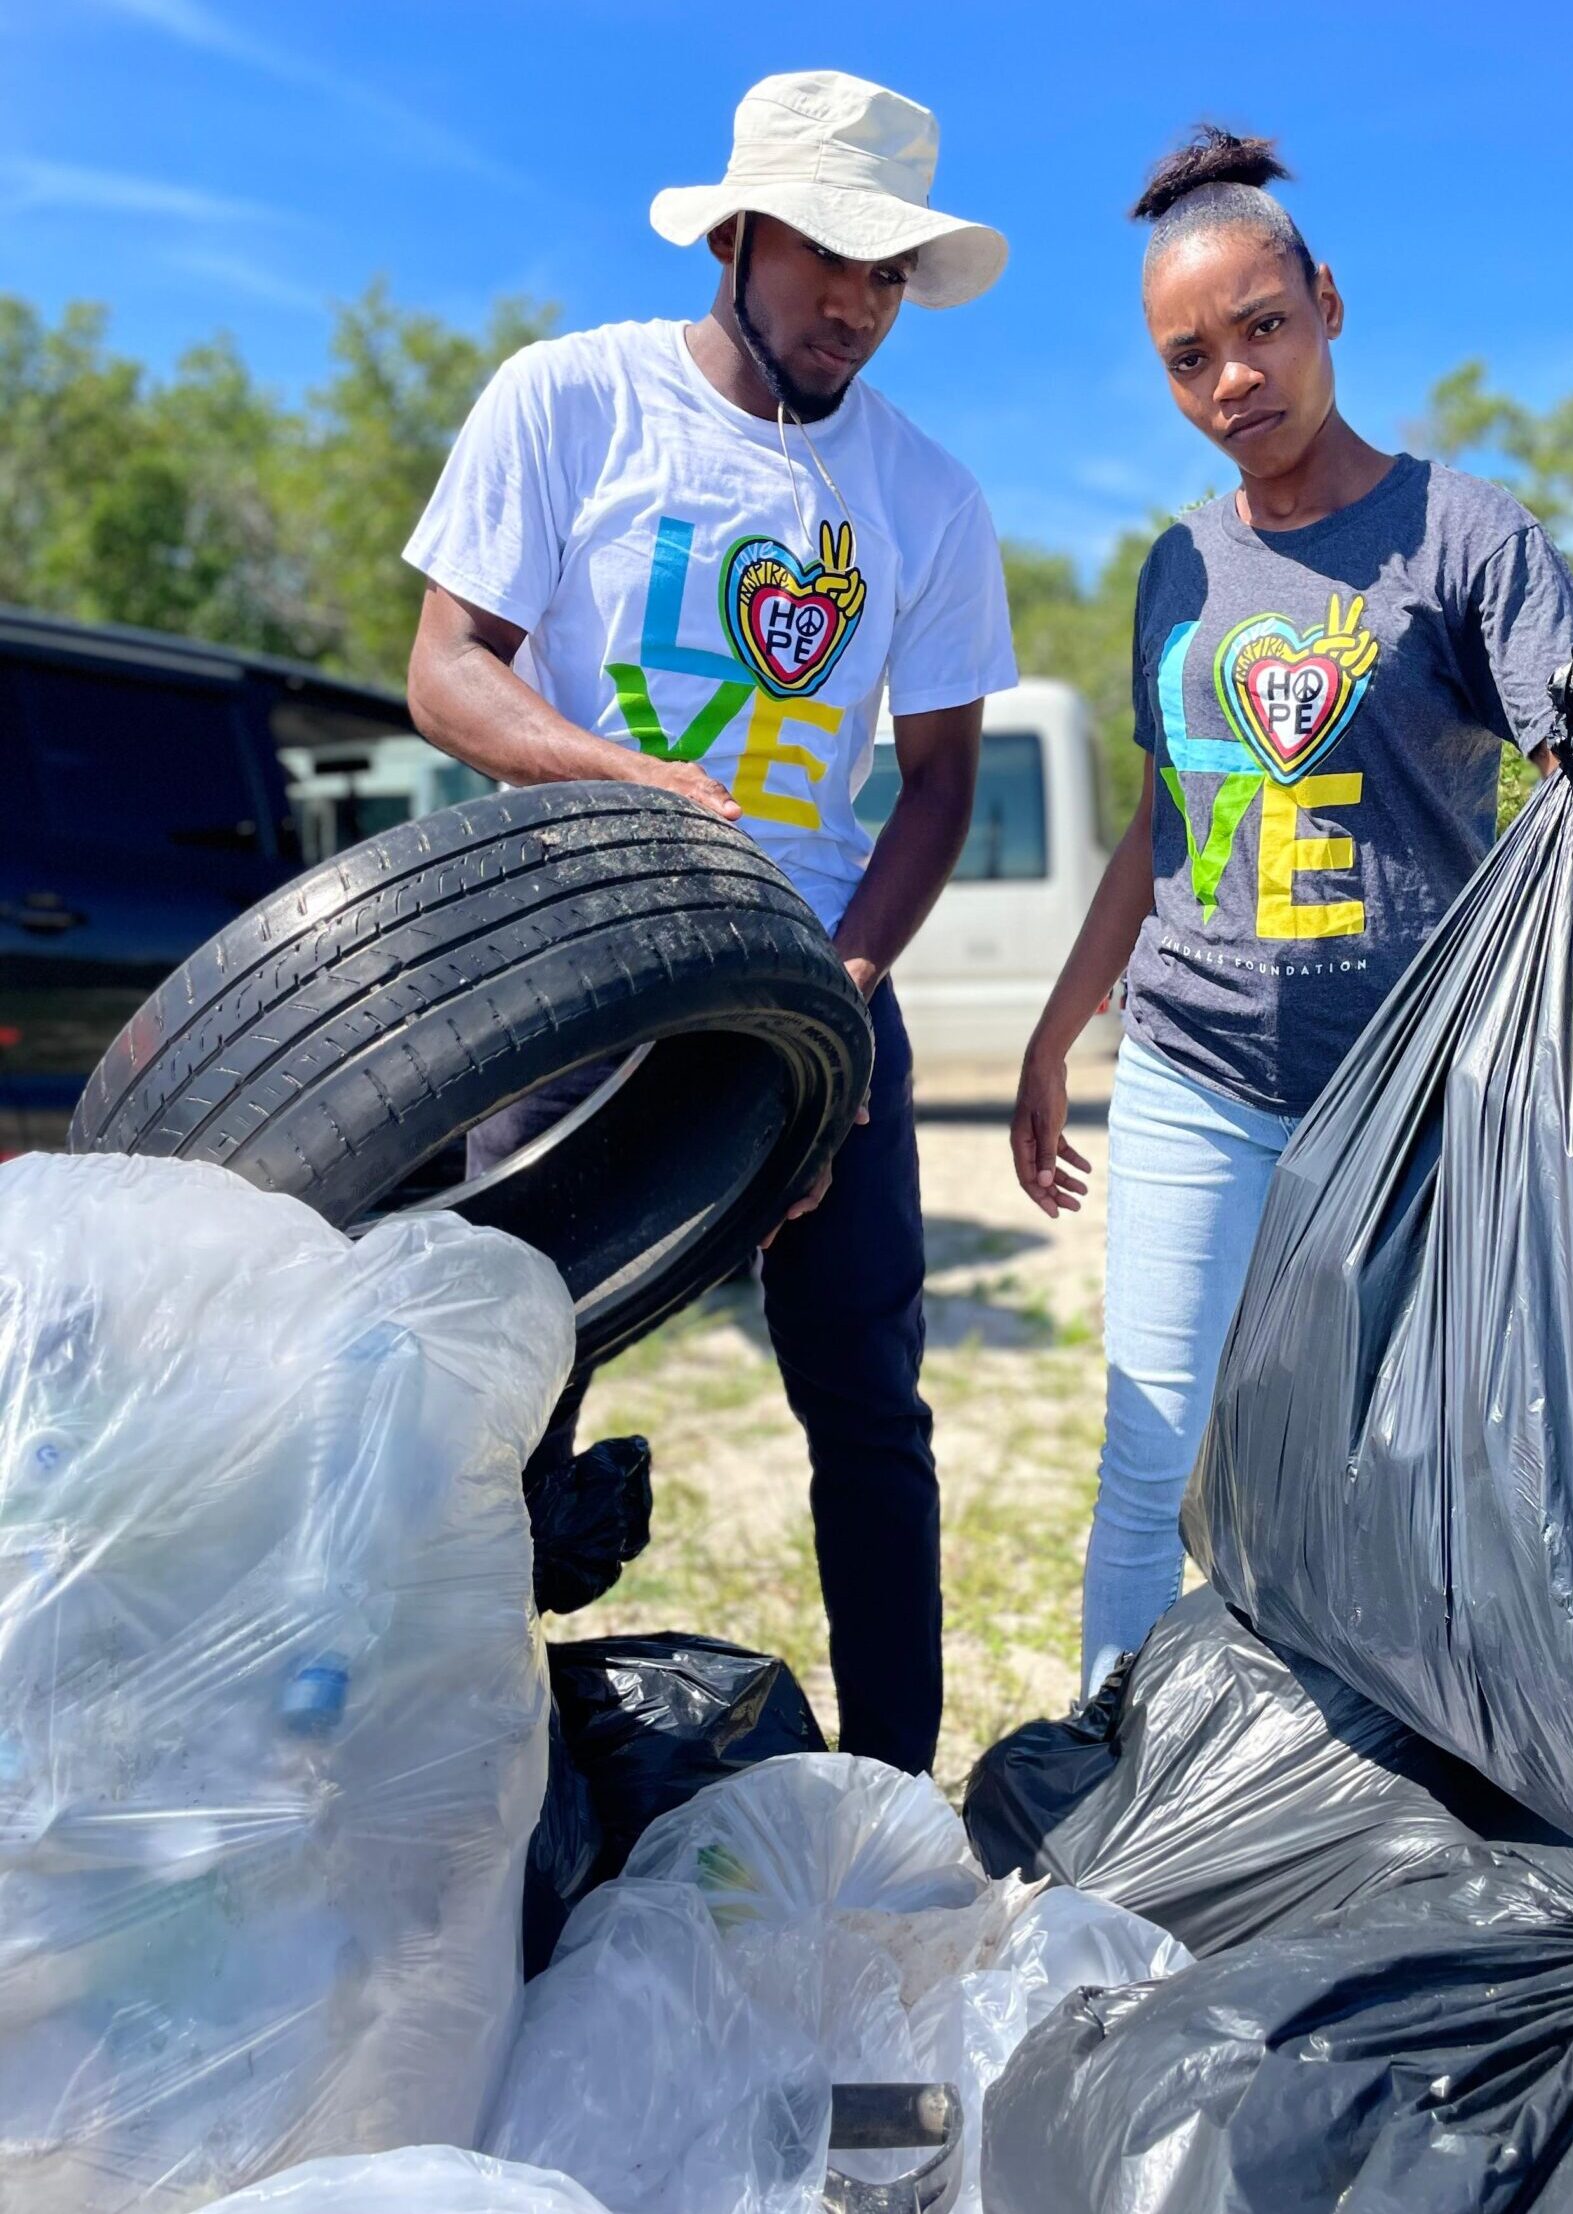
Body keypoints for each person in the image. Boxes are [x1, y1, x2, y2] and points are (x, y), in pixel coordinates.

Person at [1009, 126, 1573, 1697]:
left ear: (1326, 304)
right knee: (1154, 1454)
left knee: (1425, 1463)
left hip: (1410, 1097)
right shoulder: (1175, 565)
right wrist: (1055, 1036)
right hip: (1193, 1070)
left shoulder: (1466, 534)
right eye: (1190, 358)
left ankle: (1427, 1776)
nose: (1233, 378)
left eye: (1261, 328)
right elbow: (1168, 817)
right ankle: (1120, 1777)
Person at [404, 70, 1017, 1776]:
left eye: (891, 273)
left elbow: (942, 784)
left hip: (814, 973)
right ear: (738, 232)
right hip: (574, 961)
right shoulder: (568, 398)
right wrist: (610, 774)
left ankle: (898, 1790)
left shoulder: (930, 496)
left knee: (871, 1409)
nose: (859, 302)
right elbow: (448, 667)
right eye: (831, 252)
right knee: (508, 1381)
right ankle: (450, 1782)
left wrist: (836, 1015)